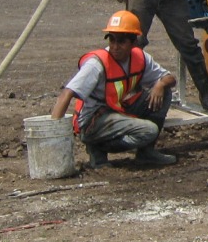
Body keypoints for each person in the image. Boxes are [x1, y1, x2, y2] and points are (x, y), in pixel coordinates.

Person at [50, 10, 178, 168]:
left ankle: (146, 153)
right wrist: (52, 138)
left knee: (165, 93)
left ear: (133, 42)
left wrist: (160, 84)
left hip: (116, 109)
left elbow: (170, 78)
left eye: (121, 41)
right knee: (148, 131)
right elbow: (66, 94)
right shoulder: (96, 64)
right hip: (93, 121)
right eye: (112, 40)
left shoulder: (140, 58)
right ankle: (98, 147)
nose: (115, 47)